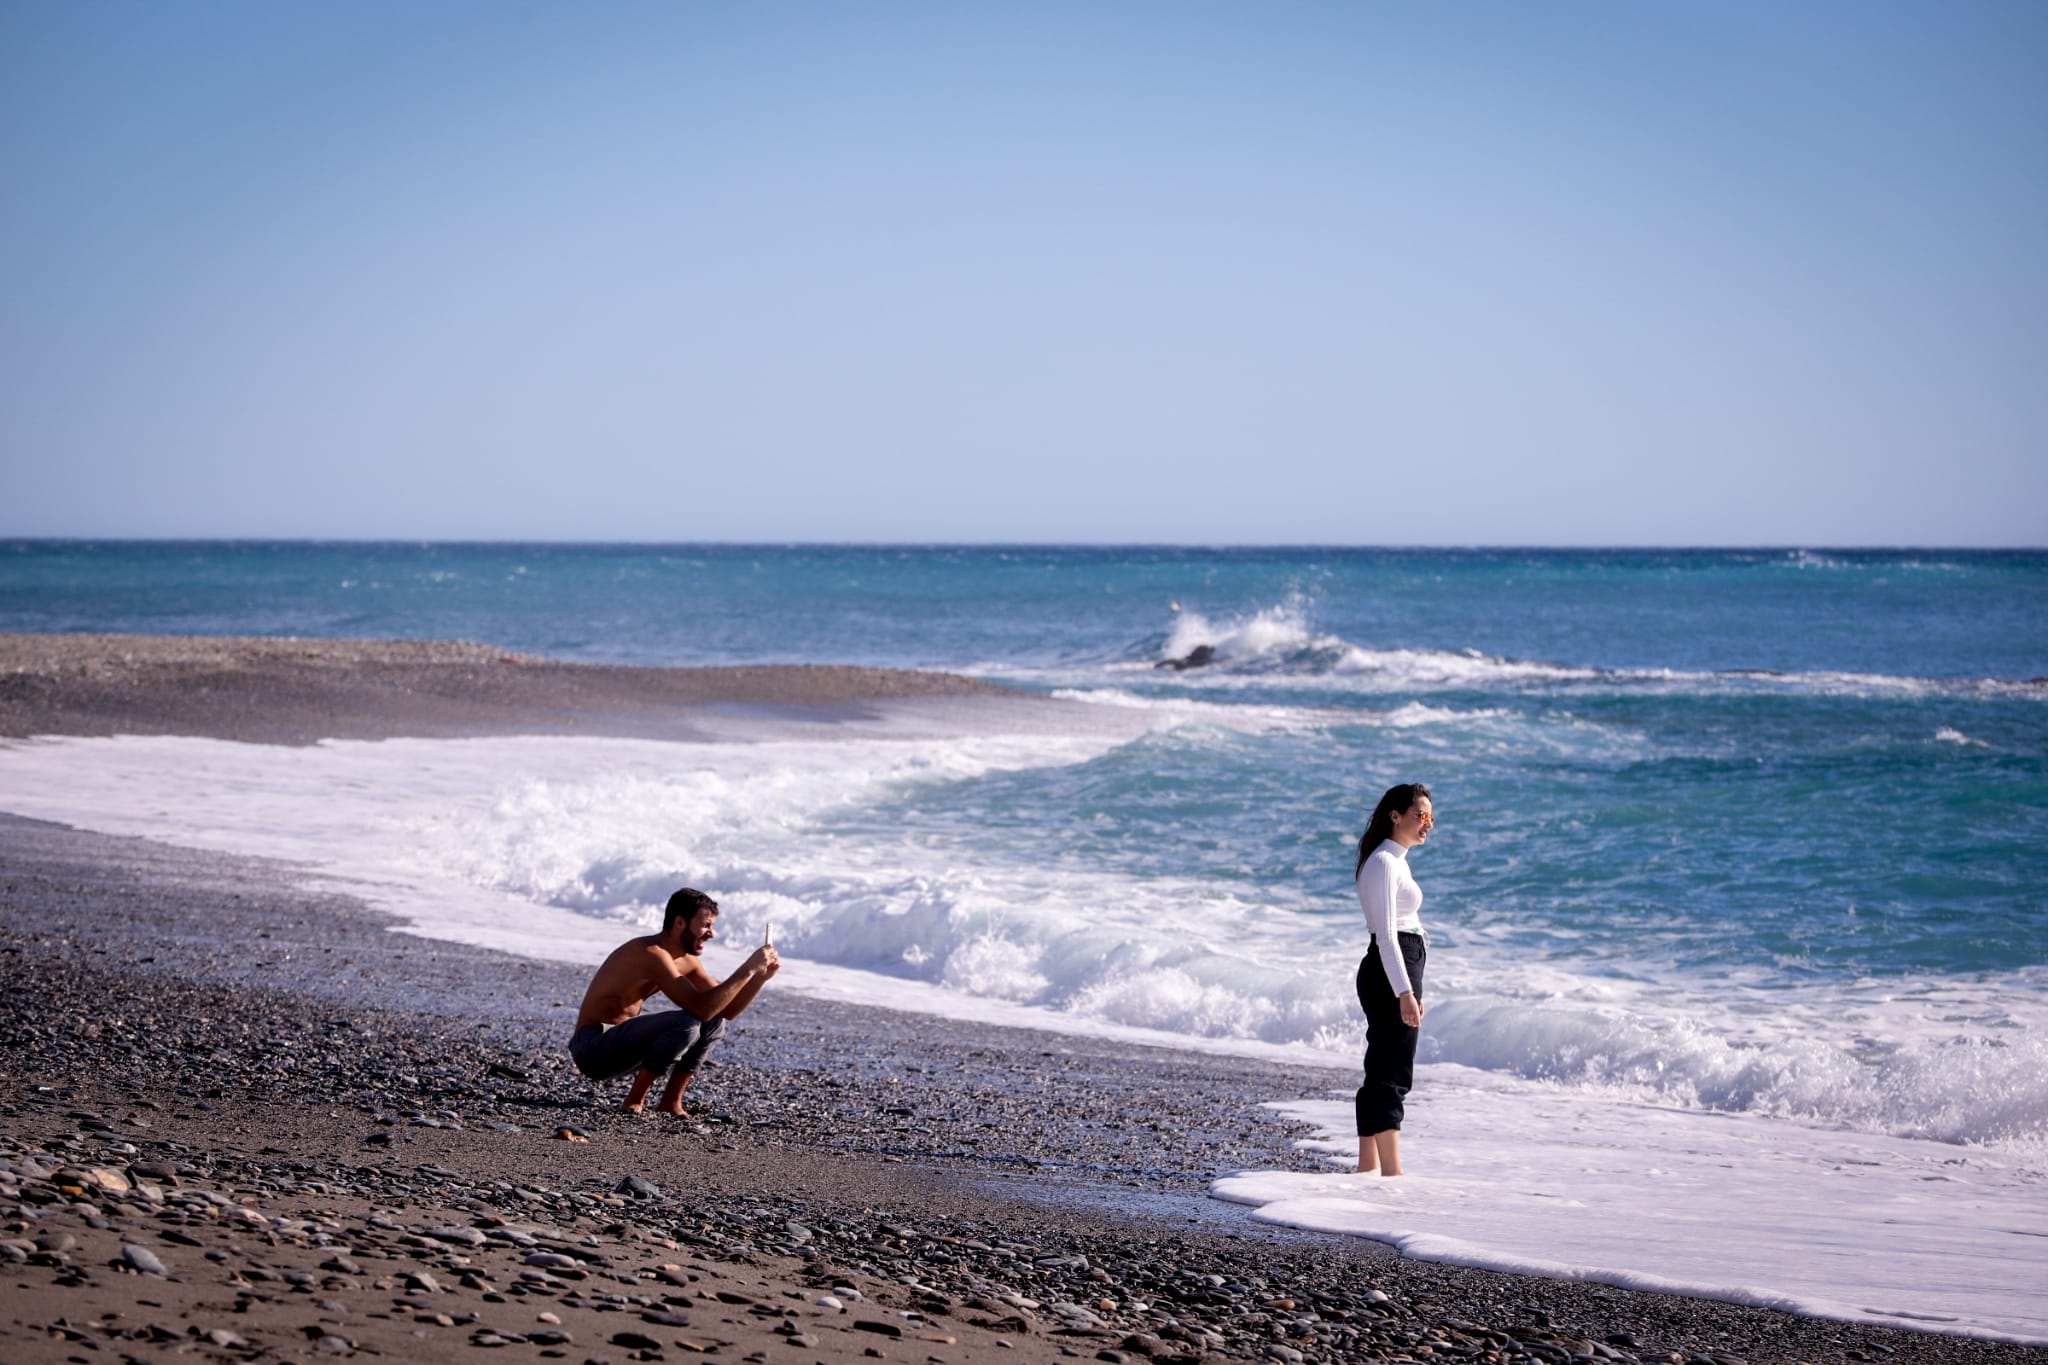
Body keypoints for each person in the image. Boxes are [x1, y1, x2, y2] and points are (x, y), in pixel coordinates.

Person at [569, 888, 779, 1115]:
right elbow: (702, 1008)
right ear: (680, 923)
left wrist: (758, 978)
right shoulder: (651, 953)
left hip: (625, 1047)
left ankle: (670, 1102)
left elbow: (726, 1010)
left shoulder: (686, 961)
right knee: (685, 1023)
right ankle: (634, 1100)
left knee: (715, 1022)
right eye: (706, 925)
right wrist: (746, 968)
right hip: (593, 1049)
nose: (711, 934)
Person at [1353, 782, 1433, 1175]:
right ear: (1395, 815)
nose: (1428, 824)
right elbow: (1386, 935)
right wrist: (1404, 990)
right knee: (1392, 1071)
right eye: (1421, 815)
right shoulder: (1385, 861)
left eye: (1430, 817)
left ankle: (1368, 1168)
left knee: (1381, 1065)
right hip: (1391, 968)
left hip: (1393, 967)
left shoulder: (1394, 860)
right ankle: (1392, 1173)